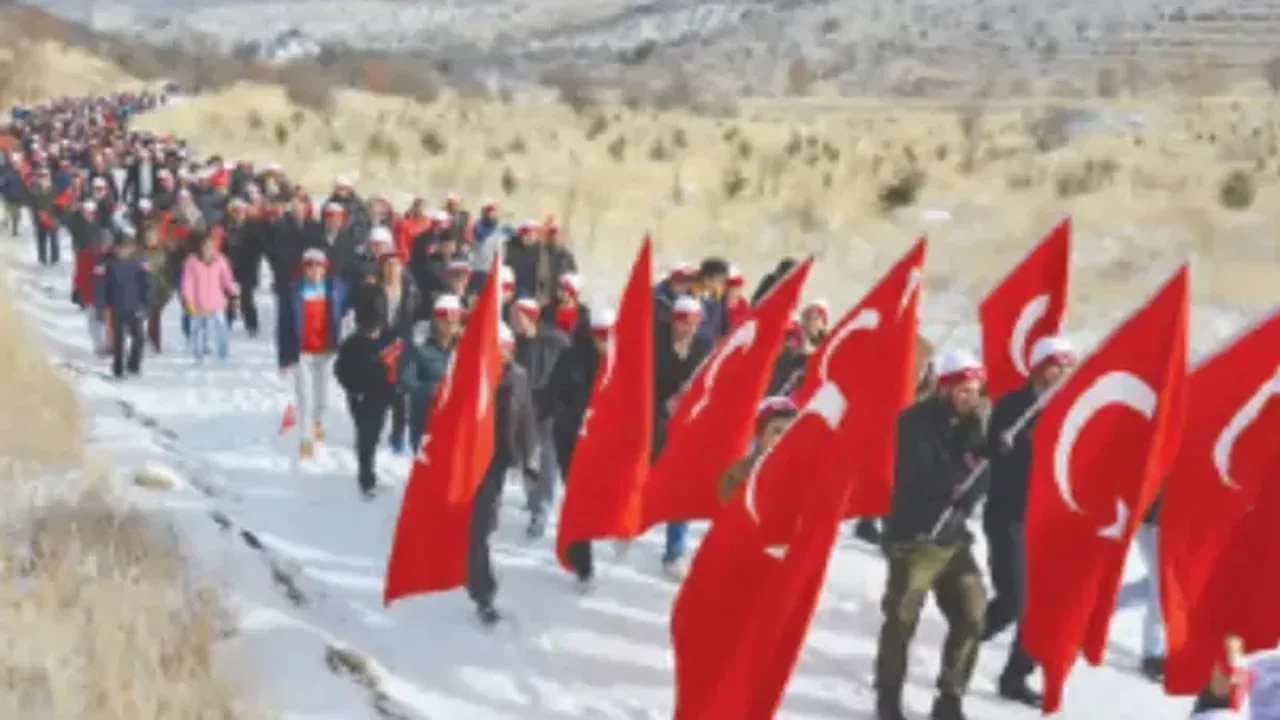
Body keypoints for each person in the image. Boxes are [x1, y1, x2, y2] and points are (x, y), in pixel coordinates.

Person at [874, 349, 989, 720]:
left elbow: (976, 486)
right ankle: (888, 697)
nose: (971, 397)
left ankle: (950, 697)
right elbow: (925, 475)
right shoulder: (914, 422)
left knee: (973, 614)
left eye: (976, 390)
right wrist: (967, 468)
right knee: (901, 622)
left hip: (953, 540)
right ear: (945, 388)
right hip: (915, 539)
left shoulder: (975, 425)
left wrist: (985, 457)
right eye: (964, 390)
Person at [982, 335, 1076, 707]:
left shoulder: (1071, 407)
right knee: (1014, 598)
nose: (1063, 372)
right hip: (1010, 514)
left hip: (1049, 518)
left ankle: (1015, 675)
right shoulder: (1012, 406)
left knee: (1040, 605)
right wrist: (1009, 443)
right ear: (1038, 369)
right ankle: (969, 636)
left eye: (1068, 365)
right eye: (1057, 365)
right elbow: (994, 453)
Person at [467, 322, 537, 626]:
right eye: (497, 349)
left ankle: (475, 572)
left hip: (497, 461)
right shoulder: (470, 375)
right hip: (470, 461)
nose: (502, 355)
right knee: (476, 529)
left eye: (506, 349)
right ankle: (483, 593)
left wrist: (529, 459)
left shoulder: (518, 377)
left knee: (485, 524)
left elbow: (526, 419)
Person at [542, 307, 615, 591]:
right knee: (578, 497)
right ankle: (583, 564)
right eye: (600, 337)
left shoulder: (620, 361)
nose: (604, 343)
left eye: (609, 337)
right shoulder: (570, 358)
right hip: (571, 438)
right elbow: (552, 395)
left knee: (599, 497)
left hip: (603, 442)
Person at [653, 295, 714, 578]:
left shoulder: (704, 346)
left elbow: (712, 382)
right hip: (655, 421)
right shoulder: (655, 342)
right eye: (681, 322)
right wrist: (664, 403)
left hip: (688, 425)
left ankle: (675, 551)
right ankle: (627, 525)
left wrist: (694, 395)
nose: (686, 328)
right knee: (645, 479)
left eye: (692, 323)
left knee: (682, 486)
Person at [277, 248, 349, 459]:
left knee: (324, 398)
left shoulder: (336, 288)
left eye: (318, 266)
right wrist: (285, 358)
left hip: (327, 352)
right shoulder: (293, 292)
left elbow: (351, 304)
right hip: (303, 354)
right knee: (305, 397)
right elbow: (284, 326)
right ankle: (305, 438)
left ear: (325, 268)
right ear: (304, 268)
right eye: (310, 266)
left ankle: (317, 425)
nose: (315, 270)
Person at [510, 297, 570, 538]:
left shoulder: (555, 341)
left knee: (546, 459)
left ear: (529, 317)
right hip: (523, 409)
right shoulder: (515, 343)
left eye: (516, 316)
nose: (512, 320)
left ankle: (541, 508)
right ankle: (533, 498)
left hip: (548, 409)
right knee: (527, 456)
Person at [334, 296, 403, 499]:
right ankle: (366, 478)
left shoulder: (391, 337)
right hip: (362, 397)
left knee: (376, 432)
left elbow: (402, 360)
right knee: (366, 437)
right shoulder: (351, 344)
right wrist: (354, 390)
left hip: (385, 393)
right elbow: (341, 371)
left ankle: (379, 453)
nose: (373, 330)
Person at [398, 295, 462, 452]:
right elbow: (406, 380)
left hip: (455, 422)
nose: (450, 325)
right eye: (445, 320)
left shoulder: (464, 348)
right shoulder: (419, 346)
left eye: (454, 321)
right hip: (425, 421)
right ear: (436, 320)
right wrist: (431, 389)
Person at [717, 396, 799, 503]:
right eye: (777, 431)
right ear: (759, 433)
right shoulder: (736, 475)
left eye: (790, 432)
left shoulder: (795, 481)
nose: (784, 438)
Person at [94, 233, 150, 379]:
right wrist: (100, 306)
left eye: (128, 248)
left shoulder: (139, 262)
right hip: (115, 306)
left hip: (134, 305)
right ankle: (118, 368)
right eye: (121, 248)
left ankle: (133, 365)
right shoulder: (106, 263)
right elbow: (100, 285)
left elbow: (146, 283)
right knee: (118, 339)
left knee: (139, 336)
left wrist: (145, 303)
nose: (124, 251)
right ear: (115, 248)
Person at [180, 232, 239, 362]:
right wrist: (188, 300)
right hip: (198, 302)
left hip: (216, 302)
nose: (209, 249)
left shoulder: (220, 260)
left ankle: (223, 354)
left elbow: (227, 279)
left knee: (221, 328)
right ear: (200, 247)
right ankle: (198, 354)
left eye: (211, 246)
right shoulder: (192, 262)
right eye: (206, 246)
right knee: (198, 330)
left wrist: (232, 293)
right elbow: (187, 283)